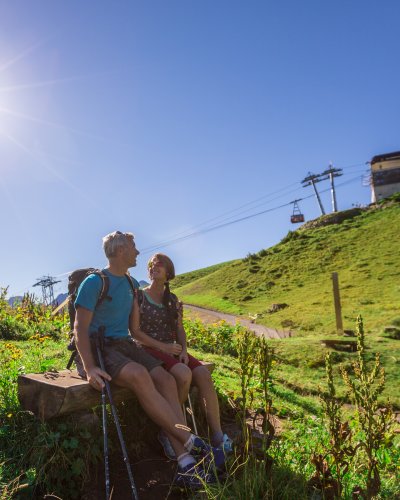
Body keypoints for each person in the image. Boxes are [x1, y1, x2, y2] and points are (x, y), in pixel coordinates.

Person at [74, 231, 221, 488]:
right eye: (133, 247)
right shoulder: (95, 282)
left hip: (124, 345)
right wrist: (89, 368)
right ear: (120, 251)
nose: (137, 252)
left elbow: (133, 330)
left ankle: (185, 460)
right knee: (140, 375)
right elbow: (79, 328)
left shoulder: (130, 284)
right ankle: (188, 443)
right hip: (100, 347)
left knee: (165, 379)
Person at [131, 253, 233, 458]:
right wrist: (165, 347)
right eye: (151, 265)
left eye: (159, 264)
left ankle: (217, 436)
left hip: (173, 349)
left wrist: (184, 349)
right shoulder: (138, 296)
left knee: (203, 374)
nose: (154, 267)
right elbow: (135, 332)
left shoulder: (173, 300)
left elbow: (179, 329)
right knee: (184, 374)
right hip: (148, 349)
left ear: (168, 272)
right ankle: (173, 432)